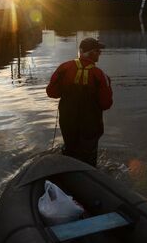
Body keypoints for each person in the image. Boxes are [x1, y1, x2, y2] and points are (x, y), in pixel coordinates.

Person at [46, 37, 113, 166]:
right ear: (89, 52)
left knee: (70, 152)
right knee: (89, 159)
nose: (100, 53)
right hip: (91, 125)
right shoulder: (100, 75)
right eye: (97, 51)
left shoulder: (64, 68)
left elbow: (51, 92)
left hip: (67, 121)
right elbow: (106, 104)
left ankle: (68, 176)